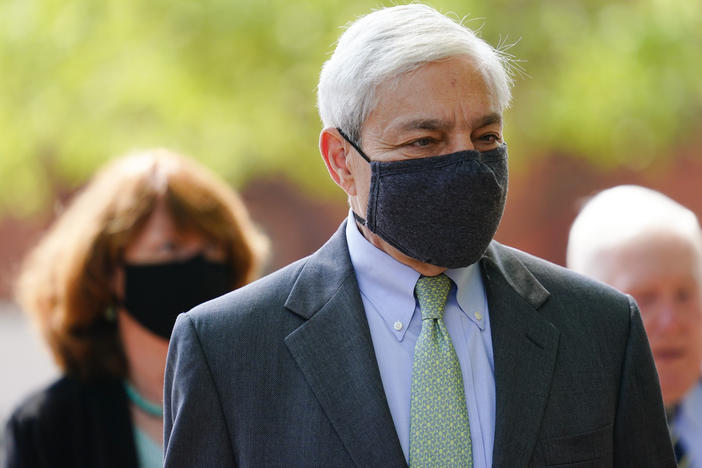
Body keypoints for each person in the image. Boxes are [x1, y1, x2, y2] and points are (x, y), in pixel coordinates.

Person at [164, 5, 675, 467]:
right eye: (424, 140)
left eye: (485, 137)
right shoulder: (228, 350)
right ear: (341, 160)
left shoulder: (603, 329)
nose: (464, 163)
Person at [1, 149, 267, 468]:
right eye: (170, 247)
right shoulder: (48, 428)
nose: (198, 267)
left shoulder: (271, 401)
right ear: (108, 271)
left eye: (212, 248)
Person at [567, 184, 702, 467]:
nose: (671, 323)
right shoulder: (555, 435)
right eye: (644, 299)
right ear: (585, 311)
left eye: (685, 294)